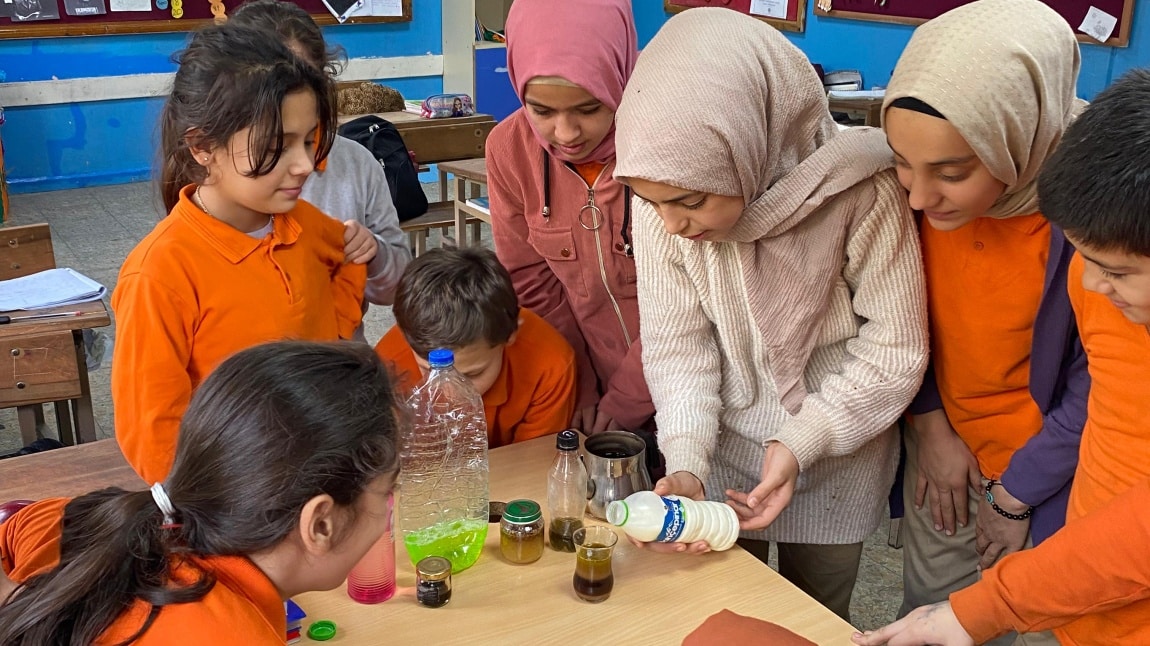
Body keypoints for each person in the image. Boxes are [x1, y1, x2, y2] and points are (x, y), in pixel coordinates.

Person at [612, 8, 928, 622]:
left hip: (839, 452)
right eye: (653, 203)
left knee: (815, 615)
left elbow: (896, 350)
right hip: (722, 451)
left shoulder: (861, 189)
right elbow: (680, 349)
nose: (673, 224)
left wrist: (806, 437)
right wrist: (686, 463)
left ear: (752, 144)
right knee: (726, 613)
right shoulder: (660, 202)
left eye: (692, 201)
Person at [853, 67, 1150, 646]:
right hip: (1083, 593)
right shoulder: (1109, 279)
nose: (1092, 288)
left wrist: (986, 605)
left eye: (1115, 272)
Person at [880, 0, 1089, 635]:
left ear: (1021, 136)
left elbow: (1101, 381)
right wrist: (933, 430)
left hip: (1057, 467)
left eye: (951, 173)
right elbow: (897, 322)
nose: (918, 196)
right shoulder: (906, 204)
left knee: (1043, 608)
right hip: (944, 454)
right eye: (901, 162)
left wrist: (1017, 493)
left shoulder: (1089, 219)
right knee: (933, 611)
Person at [0, 340, 400, 644]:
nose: (388, 511)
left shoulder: (85, 517)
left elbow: (14, 527)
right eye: (386, 492)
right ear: (321, 524)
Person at [112, 25, 366, 484]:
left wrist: (335, 332)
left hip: (320, 470)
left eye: (309, 141)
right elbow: (152, 433)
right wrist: (209, 510)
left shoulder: (306, 224)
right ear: (203, 146)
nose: (305, 165)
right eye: (277, 146)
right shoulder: (160, 272)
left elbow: (348, 256)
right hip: (237, 500)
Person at [485, 0, 653, 436]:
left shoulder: (663, 141)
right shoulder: (508, 150)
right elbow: (530, 281)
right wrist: (576, 382)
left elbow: (688, 296)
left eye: (589, 108)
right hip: (590, 380)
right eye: (541, 111)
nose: (565, 134)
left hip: (690, 378)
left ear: (621, 74)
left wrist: (631, 395)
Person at [230, 0, 411, 324]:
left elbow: (397, 285)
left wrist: (374, 252)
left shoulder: (356, 163)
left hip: (338, 362)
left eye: (308, 81)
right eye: (279, 84)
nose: (302, 165)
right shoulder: (221, 178)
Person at [375, 246, 577, 448]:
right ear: (406, 339)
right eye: (429, 372)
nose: (449, 395)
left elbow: (530, 462)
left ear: (510, 335)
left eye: (471, 375)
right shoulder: (386, 368)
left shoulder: (549, 364)